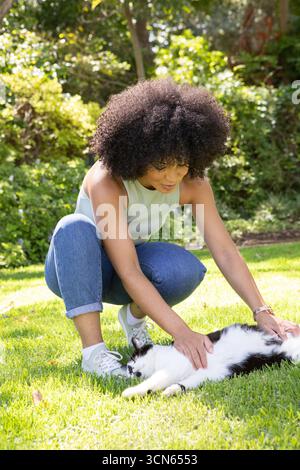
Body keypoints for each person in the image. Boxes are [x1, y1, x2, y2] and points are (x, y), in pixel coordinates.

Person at [44, 77, 300, 378]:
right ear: (136, 155)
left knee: (183, 269)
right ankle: (94, 352)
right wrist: (182, 332)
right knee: (73, 226)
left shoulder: (192, 183)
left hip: (127, 266)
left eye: (181, 164)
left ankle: (133, 319)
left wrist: (262, 312)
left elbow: (225, 251)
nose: (172, 176)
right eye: (161, 166)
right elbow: (129, 271)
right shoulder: (106, 180)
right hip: (77, 269)